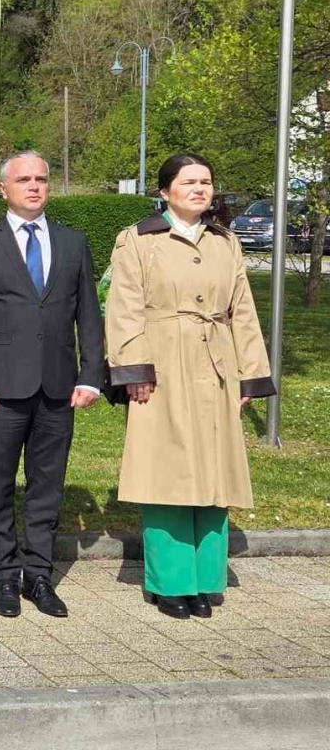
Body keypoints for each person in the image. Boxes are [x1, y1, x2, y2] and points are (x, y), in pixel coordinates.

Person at [105, 153, 274, 620]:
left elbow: (242, 309)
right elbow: (123, 308)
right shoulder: (138, 240)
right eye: (188, 182)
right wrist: (134, 371)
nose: (200, 189)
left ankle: (205, 579)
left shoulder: (225, 241)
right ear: (164, 191)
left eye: (206, 182)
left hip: (217, 364)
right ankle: (170, 582)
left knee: (216, 473)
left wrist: (249, 373)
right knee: (167, 471)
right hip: (162, 363)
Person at [0, 150, 104, 619]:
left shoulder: (73, 243)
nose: (35, 186)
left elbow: (89, 315)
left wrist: (91, 375)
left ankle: (38, 575)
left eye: (41, 179)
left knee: (47, 486)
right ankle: (3, 575)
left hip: (59, 387)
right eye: (24, 180)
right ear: (4, 189)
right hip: (1, 388)